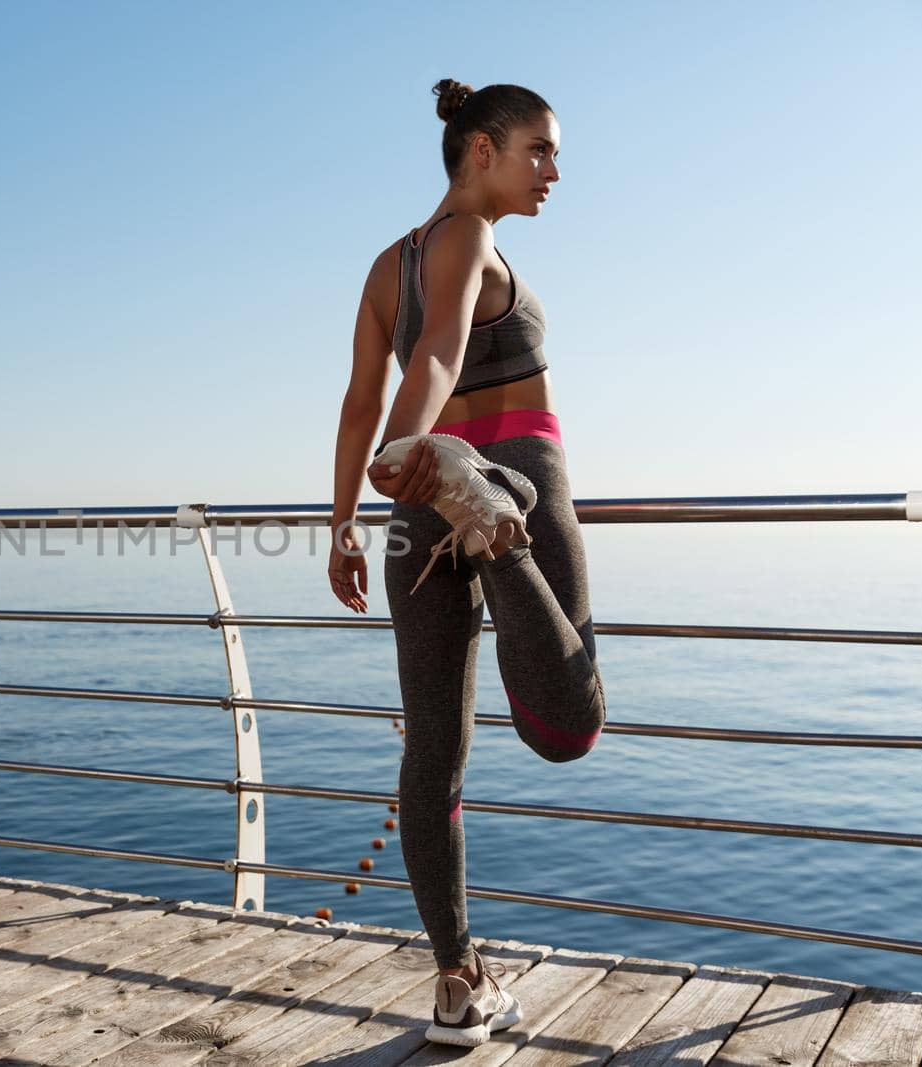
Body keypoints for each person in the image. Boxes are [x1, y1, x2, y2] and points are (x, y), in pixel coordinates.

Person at [326, 78, 607, 1048]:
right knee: (565, 722)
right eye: (539, 150)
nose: (553, 172)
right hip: (507, 478)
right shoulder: (470, 236)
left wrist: (345, 519)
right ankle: (494, 526)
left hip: (415, 513)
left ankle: (455, 981)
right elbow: (440, 350)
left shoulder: (379, 268)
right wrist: (418, 453)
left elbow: (360, 400)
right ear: (480, 148)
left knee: (430, 753)